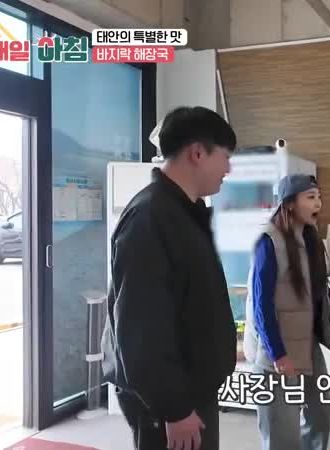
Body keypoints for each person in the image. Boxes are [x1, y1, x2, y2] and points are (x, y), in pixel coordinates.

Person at [101, 106, 238, 450]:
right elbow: (141, 327)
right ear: (197, 153)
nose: (228, 169)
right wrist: (174, 409)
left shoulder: (185, 212)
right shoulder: (149, 218)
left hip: (190, 387)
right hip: (169, 401)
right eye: (225, 157)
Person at [243, 174, 330, 450]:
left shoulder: (310, 238)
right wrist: (278, 354)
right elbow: (261, 304)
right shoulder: (269, 242)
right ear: (289, 204)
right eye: (310, 197)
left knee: (320, 415)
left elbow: (313, 283)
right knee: (281, 432)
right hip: (277, 348)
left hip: (307, 341)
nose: (318, 203)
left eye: (319, 197)